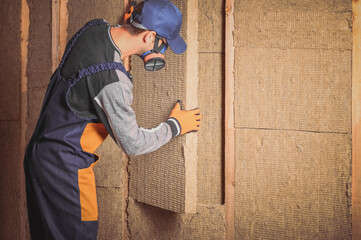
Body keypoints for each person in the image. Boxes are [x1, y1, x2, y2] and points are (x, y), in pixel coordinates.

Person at [23, 0, 201, 239]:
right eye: (165, 44)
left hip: (39, 155)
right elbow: (133, 143)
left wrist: (130, 36)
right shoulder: (114, 82)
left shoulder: (93, 28)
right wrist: (174, 126)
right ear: (150, 37)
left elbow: (105, 60)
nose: (163, 51)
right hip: (64, 170)